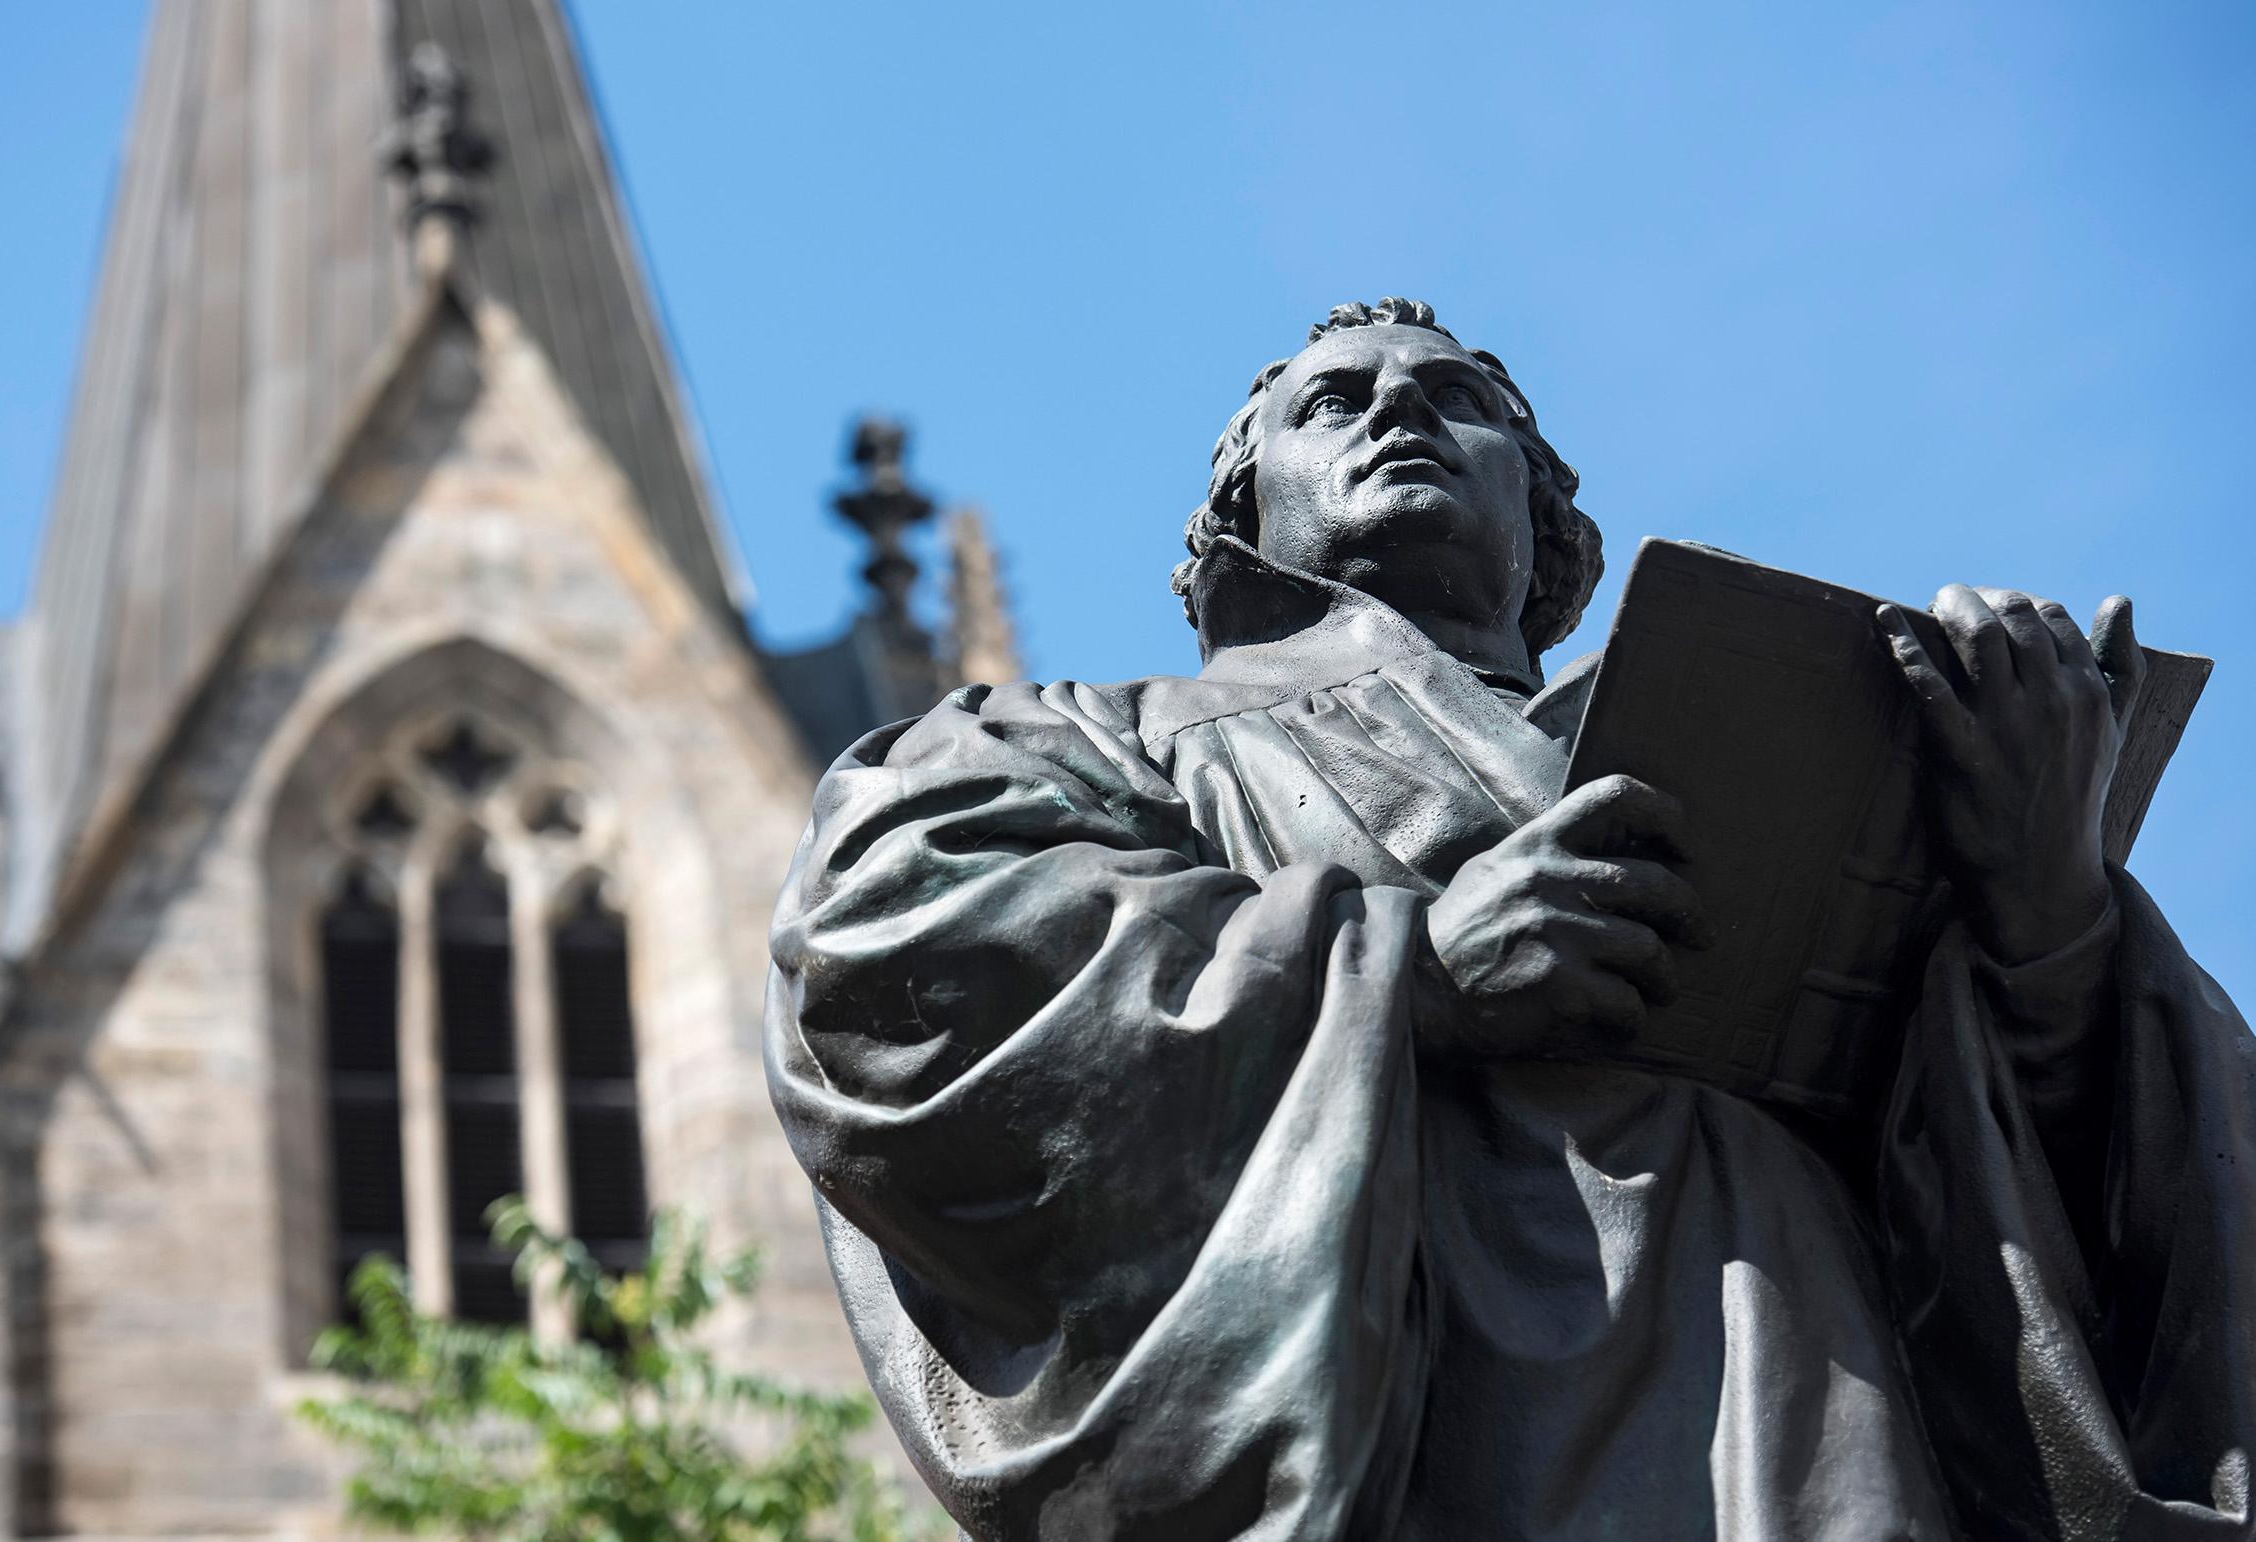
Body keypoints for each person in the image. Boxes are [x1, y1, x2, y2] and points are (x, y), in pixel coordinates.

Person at [764, 298, 2256, 1540]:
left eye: (1456, 400)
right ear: (1241, 515)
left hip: (1814, 1393)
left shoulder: (1751, 725)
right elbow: (895, 954)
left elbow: (2117, 1207)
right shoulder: (1100, 739)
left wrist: (2047, 903)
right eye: (1331, 402)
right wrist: (1409, 968)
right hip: (1436, 1416)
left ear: (1546, 521)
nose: (1397, 412)